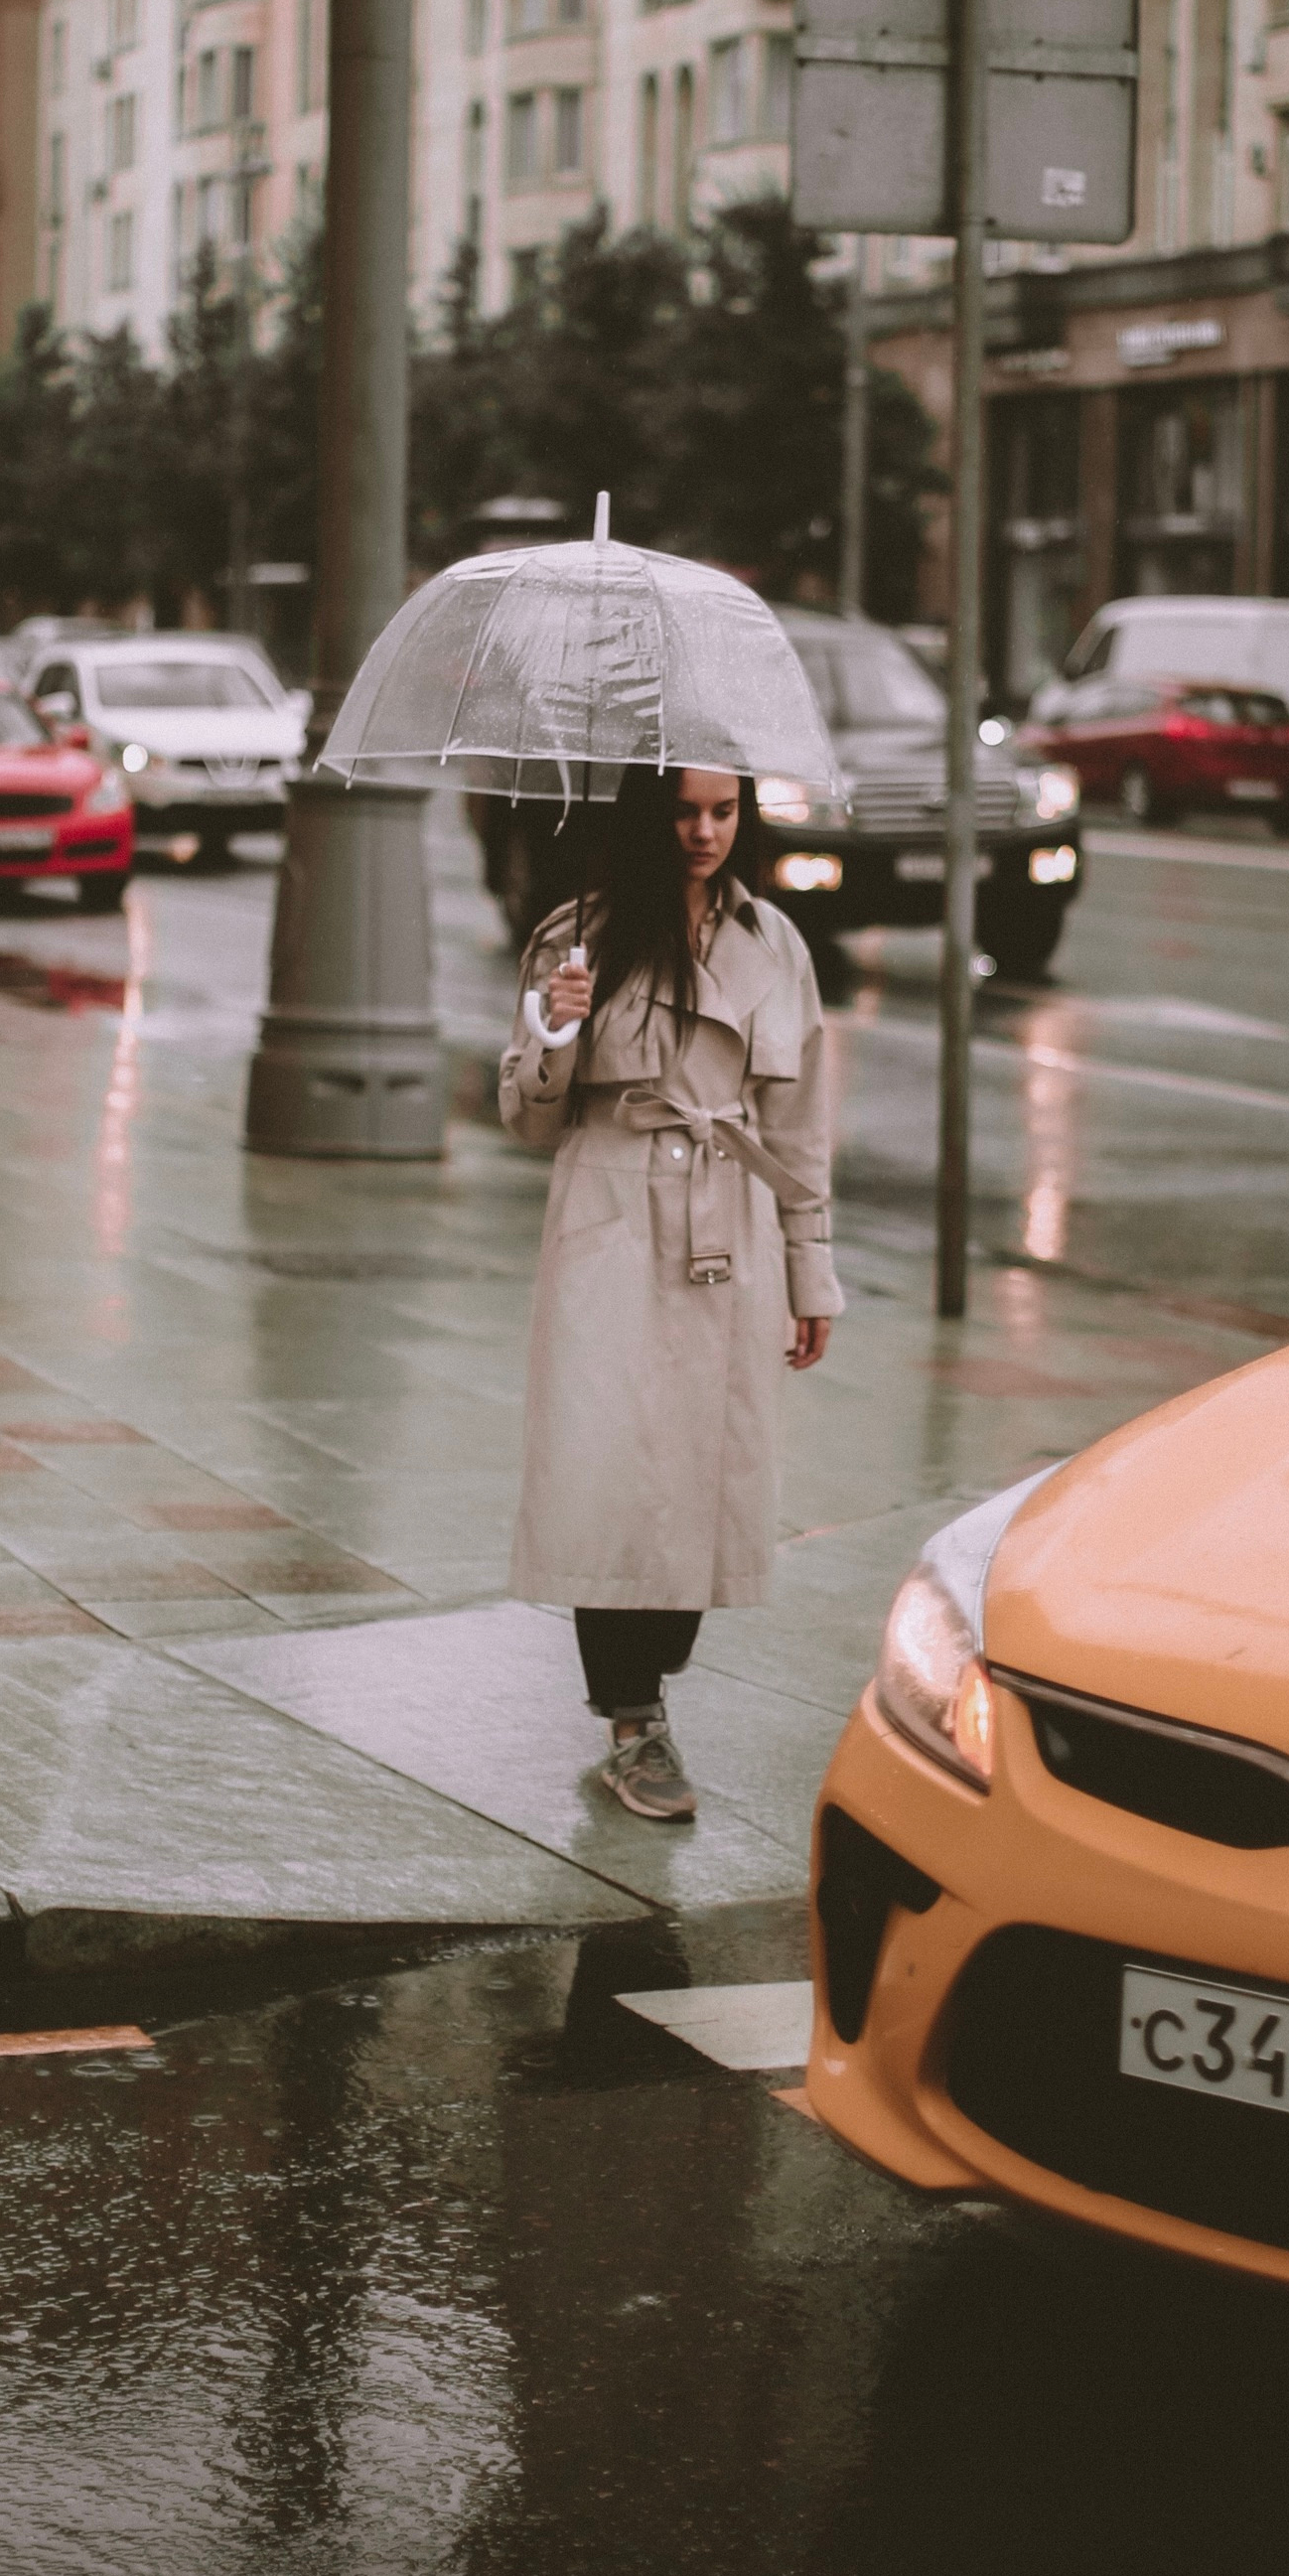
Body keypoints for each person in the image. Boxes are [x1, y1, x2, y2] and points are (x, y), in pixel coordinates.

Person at [499, 764, 841, 1821]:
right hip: (609, 1210)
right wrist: (555, 1029)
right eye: (684, 812)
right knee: (610, 1464)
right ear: (649, 818)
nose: (705, 832)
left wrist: (808, 1268)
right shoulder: (581, 934)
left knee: (703, 1464)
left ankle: (651, 1692)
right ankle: (632, 1719)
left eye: (724, 811)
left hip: (728, 1217)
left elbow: (800, 1122)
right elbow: (524, 1116)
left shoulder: (774, 944)